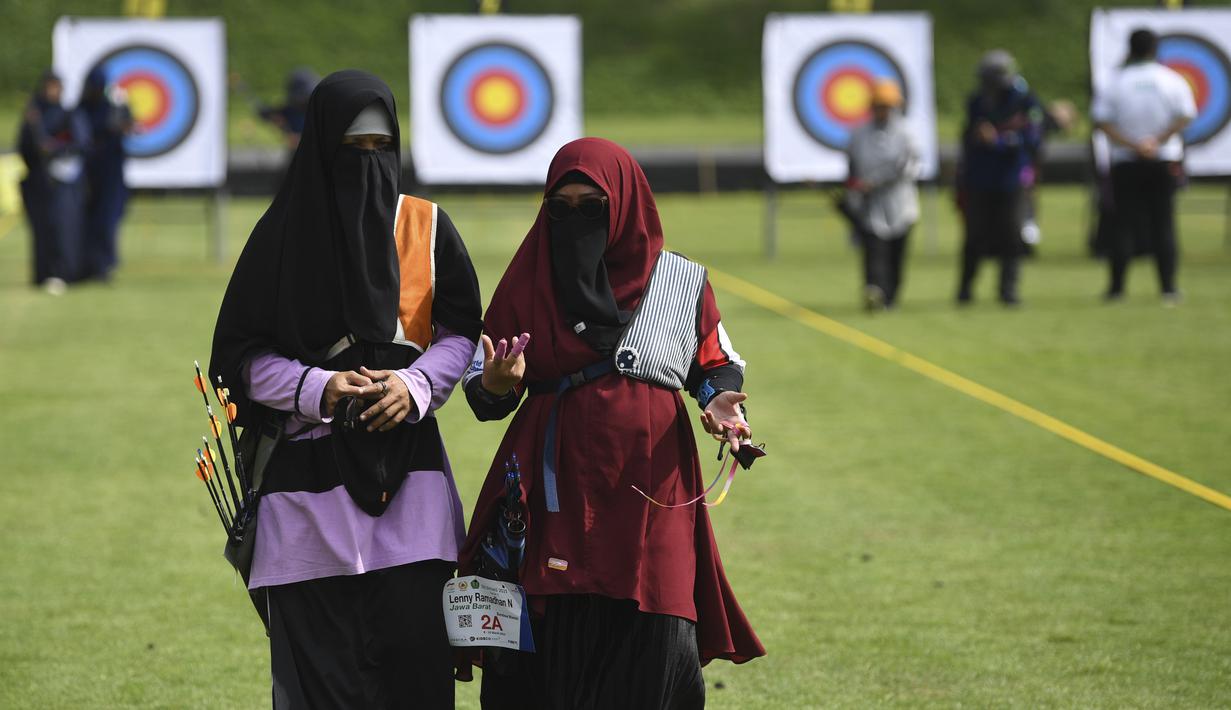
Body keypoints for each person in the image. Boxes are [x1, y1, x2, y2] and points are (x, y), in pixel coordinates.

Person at [458, 137, 765, 709]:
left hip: (652, 484)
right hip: (552, 485)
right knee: (547, 625)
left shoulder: (679, 282)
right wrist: (497, 383)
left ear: (626, 205)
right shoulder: (529, 278)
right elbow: (485, 390)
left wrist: (721, 402)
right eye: (561, 207)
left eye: (592, 207)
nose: (575, 220)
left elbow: (713, 364)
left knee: (655, 616)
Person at [209, 70, 483, 709]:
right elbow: (240, 360)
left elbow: (462, 331)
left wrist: (416, 384)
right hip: (305, 504)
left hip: (412, 492)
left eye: (381, 148)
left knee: (418, 686)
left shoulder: (425, 226)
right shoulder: (281, 235)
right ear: (320, 148)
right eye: (352, 149)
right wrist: (317, 386)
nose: (368, 163)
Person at [1092, 28, 1196, 305]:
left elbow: (1102, 121)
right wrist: (1156, 142)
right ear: (1154, 49)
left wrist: (1133, 145)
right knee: (1164, 222)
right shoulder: (1172, 79)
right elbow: (1186, 115)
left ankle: (1116, 290)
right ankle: (1168, 288)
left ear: (1130, 49)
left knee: (1122, 224)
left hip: (1126, 162)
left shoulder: (1115, 82)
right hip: (1163, 160)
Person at [955, 50, 1044, 306]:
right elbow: (967, 137)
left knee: (1011, 234)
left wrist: (1000, 141)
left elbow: (1033, 139)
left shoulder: (1025, 101)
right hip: (979, 179)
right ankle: (965, 289)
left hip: (1011, 179)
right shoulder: (977, 101)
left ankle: (1008, 290)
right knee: (974, 235)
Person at [844, 79, 919, 311]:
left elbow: (906, 167)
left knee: (896, 253)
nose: (882, 110)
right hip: (870, 205)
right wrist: (855, 191)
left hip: (899, 202)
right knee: (874, 250)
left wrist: (875, 182)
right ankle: (874, 290)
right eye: (878, 105)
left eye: (887, 106)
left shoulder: (906, 134)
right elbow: (852, 165)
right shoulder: (859, 134)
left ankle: (891, 297)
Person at [17, 70, 90, 294]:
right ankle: (43, 274)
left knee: (64, 228)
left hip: (64, 183)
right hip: (39, 184)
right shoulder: (35, 115)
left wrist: (55, 149)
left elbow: (81, 143)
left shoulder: (69, 115)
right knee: (43, 230)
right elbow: (24, 148)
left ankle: (63, 273)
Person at [79, 67, 133, 281]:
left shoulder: (113, 107)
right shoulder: (82, 109)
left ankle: (104, 265)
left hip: (110, 175)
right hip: (87, 174)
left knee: (107, 220)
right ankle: (88, 264)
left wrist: (123, 111)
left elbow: (126, 128)